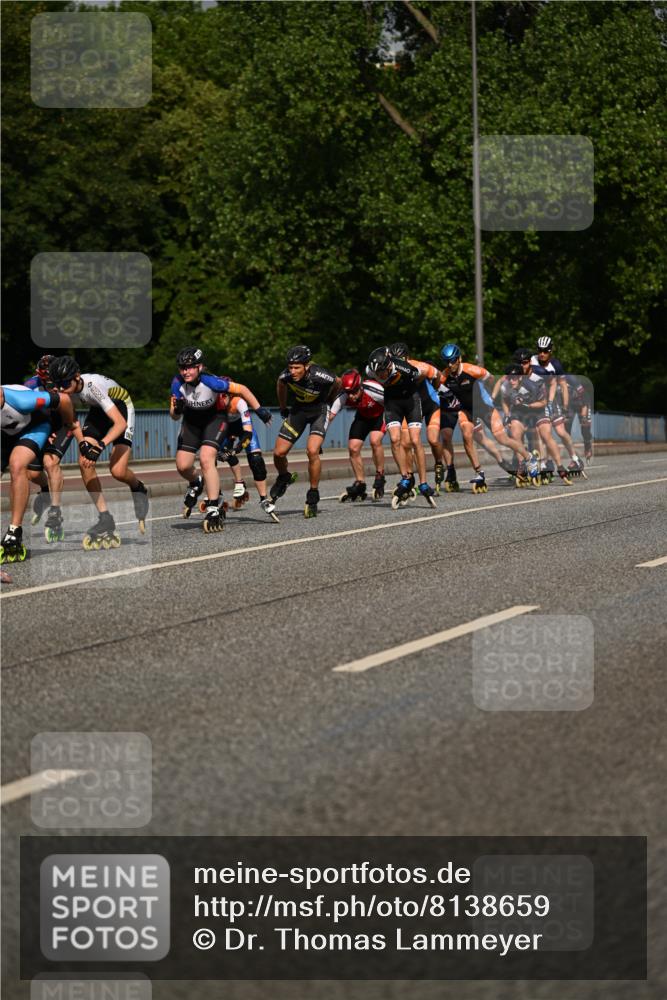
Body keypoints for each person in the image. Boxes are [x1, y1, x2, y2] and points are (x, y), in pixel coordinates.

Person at [48, 356, 149, 548]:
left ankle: (138, 487)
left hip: (121, 409)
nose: (61, 388)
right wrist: (83, 444)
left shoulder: (93, 386)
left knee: (118, 471)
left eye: (64, 383)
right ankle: (105, 517)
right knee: (84, 461)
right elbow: (72, 420)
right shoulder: (65, 391)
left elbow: (120, 423)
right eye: (57, 384)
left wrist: (99, 446)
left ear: (77, 377)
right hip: (98, 411)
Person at [170, 346, 270, 533]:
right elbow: (174, 416)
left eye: (190, 367)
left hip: (214, 420)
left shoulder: (211, 382)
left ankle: (214, 507)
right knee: (182, 466)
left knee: (207, 458)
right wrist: (177, 409)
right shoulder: (177, 383)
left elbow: (243, 389)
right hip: (191, 422)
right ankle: (196, 482)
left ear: (199, 367)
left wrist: (259, 409)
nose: (185, 371)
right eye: (182, 368)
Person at [440, 343, 537, 493]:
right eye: (446, 362)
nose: (450, 364)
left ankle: (529, 457)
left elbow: (491, 379)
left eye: (452, 360)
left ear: (459, 358)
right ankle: (479, 472)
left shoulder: (472, 370)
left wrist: (492, 396)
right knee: (466, 435)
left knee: (501, 438)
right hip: (466, 409)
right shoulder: (445, 376)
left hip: (485, 406)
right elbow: (435, 387)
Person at [1, 384, 75, 562]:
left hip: (34, 425)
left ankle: (14, 531)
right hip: (6, 432)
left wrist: (67, 425)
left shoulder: (22, 400)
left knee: (17, 465)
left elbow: (63, 400)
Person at [272, 345, 341, 518]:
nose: (293, 371)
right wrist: (282, 407)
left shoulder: (318, 374)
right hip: (299, 411)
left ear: (307, 366)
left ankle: (313, 494)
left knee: (312, 450)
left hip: (319, 411)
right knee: (279, 453)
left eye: (297, 368)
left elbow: (338, 382)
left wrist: (329, 400)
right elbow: (280, 384)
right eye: (290, 367)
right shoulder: (286, 376)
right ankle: (284, 477)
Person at [366, 346, 436, 509]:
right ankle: (405, 477)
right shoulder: (371, 370)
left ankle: (423, 482)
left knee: (414, 440)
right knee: (395, 439)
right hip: (392, 403)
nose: (380, 376)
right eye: (377, 374)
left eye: (382, 372)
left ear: (389, 365)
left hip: (411, 400)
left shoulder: (405, 368)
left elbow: (421, 377)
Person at [498, 357, 572, 485]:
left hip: (538, 409)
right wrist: (507, 415)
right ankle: (522, 464)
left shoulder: (532, 384)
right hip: (519, 412)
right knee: (514, 433)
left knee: (545, 435)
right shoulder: (506, 386)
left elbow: (543, 402)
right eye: (509, 378)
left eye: (514, 378)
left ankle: (559, 466)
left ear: (521, 378)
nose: (511, 381)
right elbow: (504, 400)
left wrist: (528, 405)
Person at [23, 354, 73, 538]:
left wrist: (56, 429)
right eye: (46, 378)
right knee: (33, 473)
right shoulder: (30, 386)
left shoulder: (64, 380)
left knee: (51, 462)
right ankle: (45, 491)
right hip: (40, 424)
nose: (51, 381)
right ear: (39, 375)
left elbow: (69, 409)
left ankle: (55, 510)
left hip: (63, 424)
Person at [388, 342, 445, 490]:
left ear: (407, 358)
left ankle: (439, 462)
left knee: (433, 439)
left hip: (430, 403)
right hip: (412, 405)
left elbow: (439, 375)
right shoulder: (391, 369)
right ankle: (409, 476)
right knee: (406, 442)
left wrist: (436, 387)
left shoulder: (420, 367)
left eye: (401, 359)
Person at [215, 392, 277, 521]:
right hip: (226, 431)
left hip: (244, 431)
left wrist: (236, 449)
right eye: (217, 396)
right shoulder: (213, 405)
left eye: (223, 396)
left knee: (256, 461)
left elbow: (248, 434)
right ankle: (219, 495)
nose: (220, 399)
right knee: (214, 457)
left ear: (229, 396)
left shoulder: (239, 402)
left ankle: (264, 499)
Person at [328, 369, 386, 502]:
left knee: (375, 441)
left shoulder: (373, 389)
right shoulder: (343, 395)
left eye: (354, 392)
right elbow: (329, 417)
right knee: (353, 447)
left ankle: (380, 475)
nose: (351, 396)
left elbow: (393, 403)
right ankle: (360, 482)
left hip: (380, 414)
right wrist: (318, 436)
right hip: (363, 417)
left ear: (360, 386)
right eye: (348, 393)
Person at [531, 337, 583, 474]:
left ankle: (575, 457)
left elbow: (563, 387)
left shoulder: (556, 365)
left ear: (550, 351)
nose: (542, 354)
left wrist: (565, 407)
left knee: (560, 431)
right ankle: (545, 462)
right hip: (536, 401)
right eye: (540, 351)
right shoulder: (531, 360)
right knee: (541, 432)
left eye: (545, 351)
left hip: (552, 400)